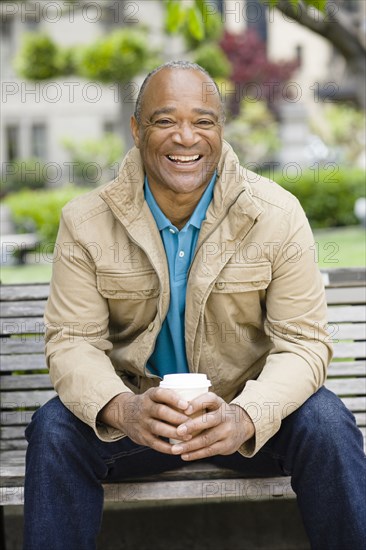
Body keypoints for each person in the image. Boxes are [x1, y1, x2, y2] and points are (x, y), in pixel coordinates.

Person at [24, 61, 365, 550]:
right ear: (137, 129)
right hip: (139, 425)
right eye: (165, 121)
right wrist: (123, 409)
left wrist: (246, 416)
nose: (186, 137)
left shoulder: (276, 214)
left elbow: (305, 344)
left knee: (326, 421)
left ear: (220, 130)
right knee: (54, 427)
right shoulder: (85, 222)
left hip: (247, 422)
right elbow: (72, 343)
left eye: (203, 121)